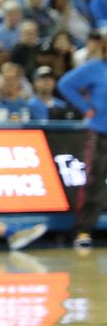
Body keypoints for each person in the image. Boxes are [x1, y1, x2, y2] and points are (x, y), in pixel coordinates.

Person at [57, 43, 107, 251]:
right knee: (94, 181)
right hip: (100, 133)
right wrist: (86, 109)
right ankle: (83, 229)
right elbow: (65, 84)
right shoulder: (95, 67)